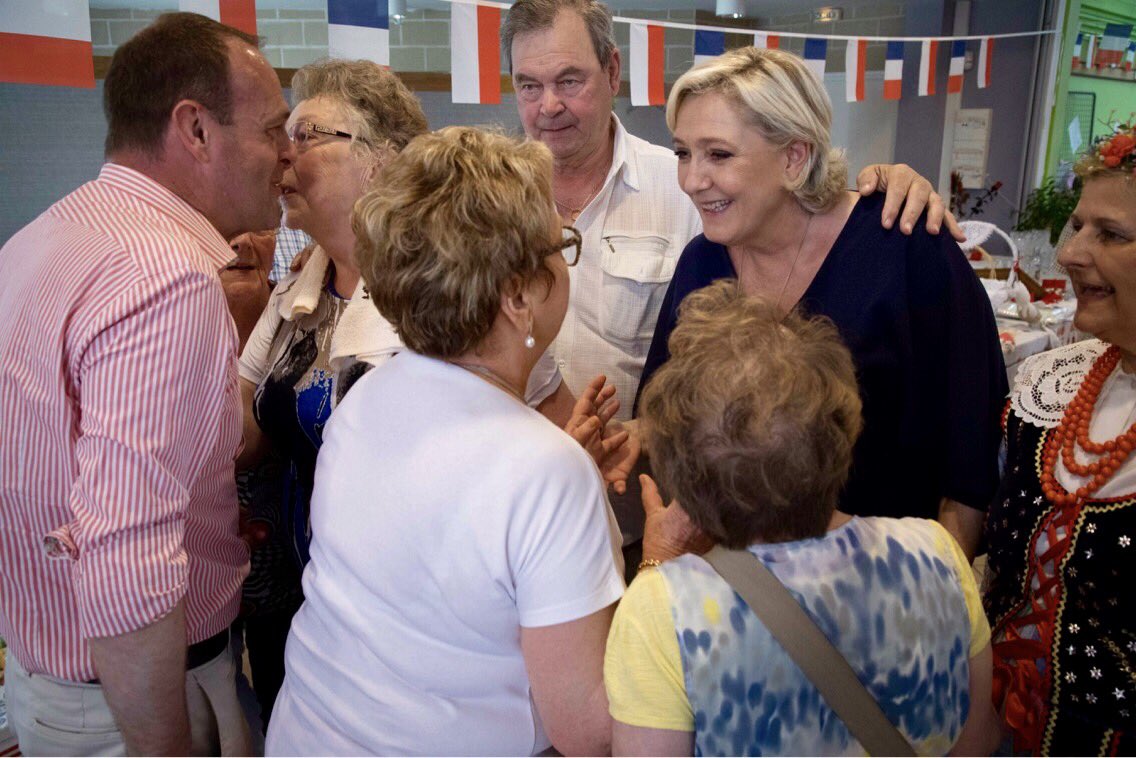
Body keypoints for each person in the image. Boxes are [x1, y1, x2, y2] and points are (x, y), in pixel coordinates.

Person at [265, 127, 625, 755]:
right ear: (518, 295)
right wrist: (664, 569)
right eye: (560, 246)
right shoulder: (545, 470)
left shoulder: (364, 398)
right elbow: (589, 732)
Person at [0, 12, 293, 755]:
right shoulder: (165, 277)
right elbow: (127, 547)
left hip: (51, 679)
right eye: (273, 130)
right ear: (195, 130)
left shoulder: (44, 235)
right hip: (134, 702)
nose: (287, 158)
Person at [501, 0, 962, 424]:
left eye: (568, 80)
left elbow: (965, 438)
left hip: (669, 493)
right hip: (531, 474)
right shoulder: (486, 203)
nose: (549, 105)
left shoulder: (692, 209)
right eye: (529, 85)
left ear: (613, 71)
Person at [636, 47, 1006, 559]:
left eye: (718, 155)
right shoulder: (701, 262)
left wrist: (937, 596)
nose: (691, 179)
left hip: (881, 588)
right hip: (732, 596)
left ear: (795, 157)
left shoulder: (905, 246)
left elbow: (969, 457)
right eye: (682, 152)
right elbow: (666, 415)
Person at [606, 280, 1001, 756]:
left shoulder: (664, 607)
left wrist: (656, 563)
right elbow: (977, 742)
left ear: (682, 471)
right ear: (844, 429)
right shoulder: (937, 553)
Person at [982, 122, 1136, 756]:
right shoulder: (1053, 383)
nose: (1071, 253)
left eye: (1111, 234)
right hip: (993, 725)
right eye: (1077, 226)